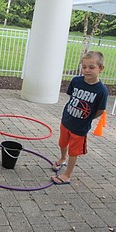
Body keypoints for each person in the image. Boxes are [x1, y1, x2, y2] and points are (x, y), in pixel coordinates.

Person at [52, 51, 108, 185]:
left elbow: (101, 110)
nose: (87, 70)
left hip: (80, 128)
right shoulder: (76, 80)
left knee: (74, 151)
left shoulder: (101, 91)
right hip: (66, 120)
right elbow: (72, 97)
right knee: (62, 143)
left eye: (91, 67)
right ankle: (62, 158)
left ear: (100, 68)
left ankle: (67, 175)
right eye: (84, 67)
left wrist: (86, 118)